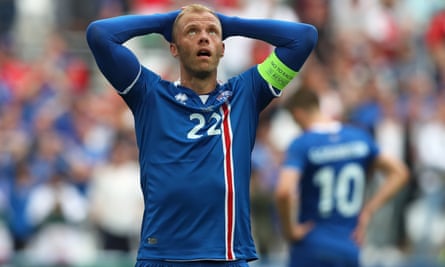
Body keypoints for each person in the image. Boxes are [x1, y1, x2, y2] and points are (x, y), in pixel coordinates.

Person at [86, 3, 317, 267]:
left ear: (222, 48)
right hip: (162, 257)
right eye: (192, 32)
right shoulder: (149, 94)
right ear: (173, 47)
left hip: (226, 257)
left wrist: (231, 24)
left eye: (212, 32)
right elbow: (99, 35)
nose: (204, 36)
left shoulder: (246, 93)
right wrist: (167, 21)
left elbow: (304, 37)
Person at [274, 86, 409, 267]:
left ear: (298, 114)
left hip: (312, 245)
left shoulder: (302, 143)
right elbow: (399, 172)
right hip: (349, 245)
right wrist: (368, 211)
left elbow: (283, 191)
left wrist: (289, 231)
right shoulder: (359, 137)